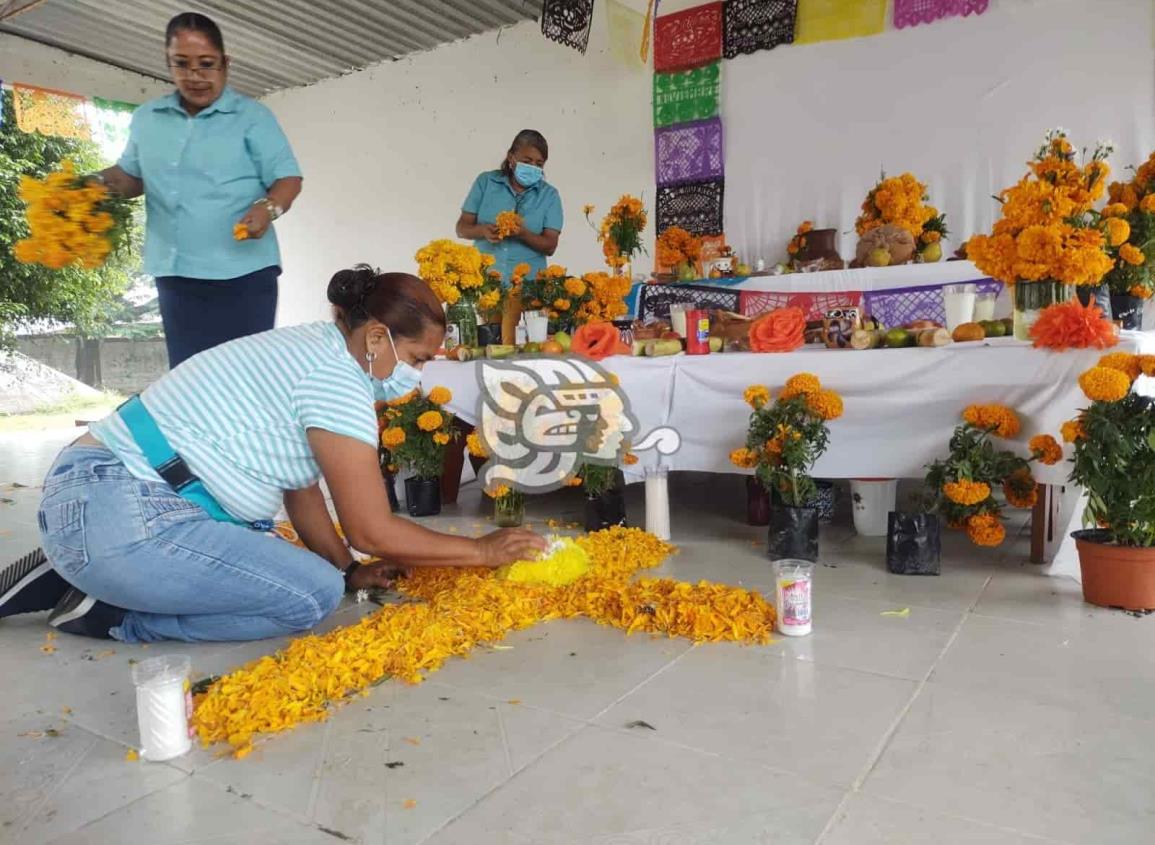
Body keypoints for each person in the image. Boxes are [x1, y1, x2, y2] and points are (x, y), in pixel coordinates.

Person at [0, 266, 546, 642]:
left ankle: (86, 565)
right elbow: (372, 530)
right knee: (307, 597)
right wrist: (482, 553)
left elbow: (300, 486)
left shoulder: (312, 347)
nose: (417, 374)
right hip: (126, 510)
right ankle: (111, 612)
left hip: (104, 493)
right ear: (376, 337)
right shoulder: (338, 380)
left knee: (325, 577)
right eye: (418, 357)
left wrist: (348, 570)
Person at [95, 12, 303, 368]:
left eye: (206, 64)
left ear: (226, 63)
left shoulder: (252, 117)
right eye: (182, 64)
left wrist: (268, 210)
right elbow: (131, 178)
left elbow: (288, 179)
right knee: (190, 379)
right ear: (168, 64)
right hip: (177, 276)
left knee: (245, 376)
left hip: (244, 277)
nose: (195, 76)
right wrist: (88, 188)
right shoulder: (147, 118)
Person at [455, 129, 563, 284]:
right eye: (527, 161)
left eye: (539, 164)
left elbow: (550, 246)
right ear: (511, 157)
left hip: (528, 288)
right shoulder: (486, 182)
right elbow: (461, 228)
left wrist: (522, 233)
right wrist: (483, 231)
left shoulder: (549, 196)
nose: (533, 167)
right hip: (483, 283)